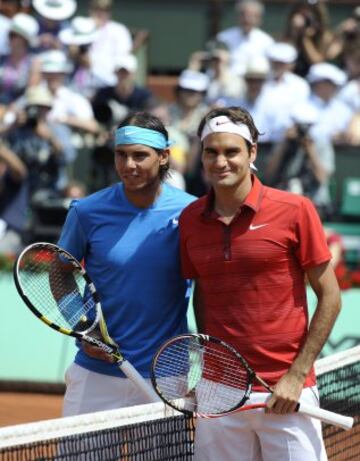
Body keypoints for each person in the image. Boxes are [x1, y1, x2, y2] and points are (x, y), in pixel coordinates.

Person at [179, 106, 341, 460]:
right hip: (219, 392)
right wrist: (208, 367)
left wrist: (296, 376)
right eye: (211, 152)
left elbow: (330, 297)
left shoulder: (295, 210)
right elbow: (202, 294)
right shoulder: (190, 219)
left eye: (231, 151)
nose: (220, 161)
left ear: (252, 152)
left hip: (286, 390)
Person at [57, 111, 195, 416]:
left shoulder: (191, 213)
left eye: (139, 156)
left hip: (166, 373)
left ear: (163, 157)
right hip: (96, 371)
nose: (128, 165)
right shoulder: (87, 211)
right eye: (121, 155)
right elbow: (60, 273)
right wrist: (82, 329)